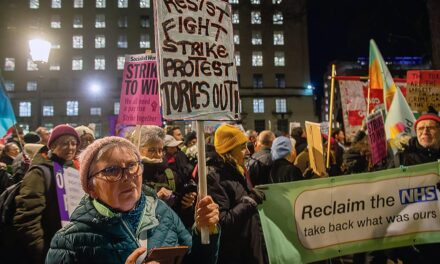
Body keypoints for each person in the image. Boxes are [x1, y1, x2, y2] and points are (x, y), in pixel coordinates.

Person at [45, 136, 220, 264]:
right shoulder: (68, 242)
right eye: (111, 170)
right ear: (91, 188)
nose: (127, 176)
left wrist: (205, 233)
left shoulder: (162, 211)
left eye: (131, 165)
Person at [12, 124, 80, 264]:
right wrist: (43, 253)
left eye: (74, 143)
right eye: (64, 143)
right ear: (53, 145)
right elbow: (26, 219)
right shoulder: (39, 172)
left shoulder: (74, 172)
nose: (70, 147)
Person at [207, 124, 268, 263]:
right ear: (228, 151)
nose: (247, 151)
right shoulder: (214, 177)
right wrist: (249, 201)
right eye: (241, 148)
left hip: (249, 250)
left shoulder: (238, 170)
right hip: (236, 255)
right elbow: (222, 222)